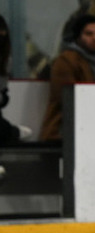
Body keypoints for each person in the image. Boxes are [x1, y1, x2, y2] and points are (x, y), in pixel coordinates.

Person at [40, 15, 95, 141]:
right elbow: (67, 99)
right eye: (89, 34)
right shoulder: (65, 61)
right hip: (65, 129)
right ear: (78, 37)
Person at [0, 15, 32, 145]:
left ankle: (10, 131)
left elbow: (4, 94)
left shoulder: (5, 61)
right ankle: (11, 132)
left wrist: (1, 97)